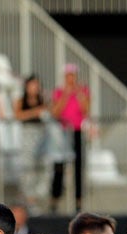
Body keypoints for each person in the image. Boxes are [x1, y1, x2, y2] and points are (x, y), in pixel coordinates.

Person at [51, 64, 89, 212]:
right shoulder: (59, 92)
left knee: (78, 167)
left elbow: (85, 109)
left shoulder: (83, 91)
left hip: (77, 131)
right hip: (62, 132)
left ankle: (78, 201)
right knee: (59, 166)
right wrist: (66, 94)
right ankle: (55, 198)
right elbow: (56, 112)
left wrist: (78, 93)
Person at [13, 74, 49, 207]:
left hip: (41, 133)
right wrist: (36, 111)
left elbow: (49, 111)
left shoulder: (43, 99)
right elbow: (18, 115)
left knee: (42, 164)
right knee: (28, 165)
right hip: (27, 133)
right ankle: (28, 197)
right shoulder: (21, 100)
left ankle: (36, 196)